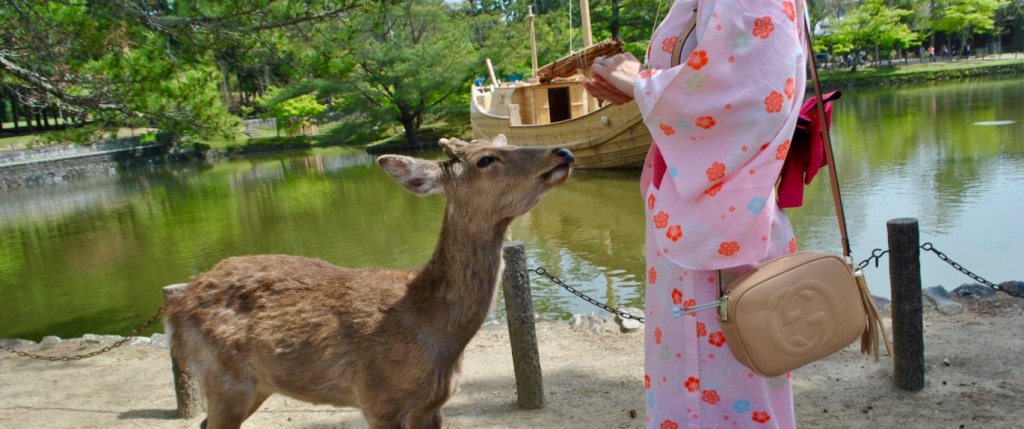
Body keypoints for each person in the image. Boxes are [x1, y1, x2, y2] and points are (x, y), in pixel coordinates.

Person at [584, 1, 807, 428]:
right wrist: (640, 90)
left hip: (726, 228)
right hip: (698, 218)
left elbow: (753, 91)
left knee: (724, 381)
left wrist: (646, 86)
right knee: (705, 383)